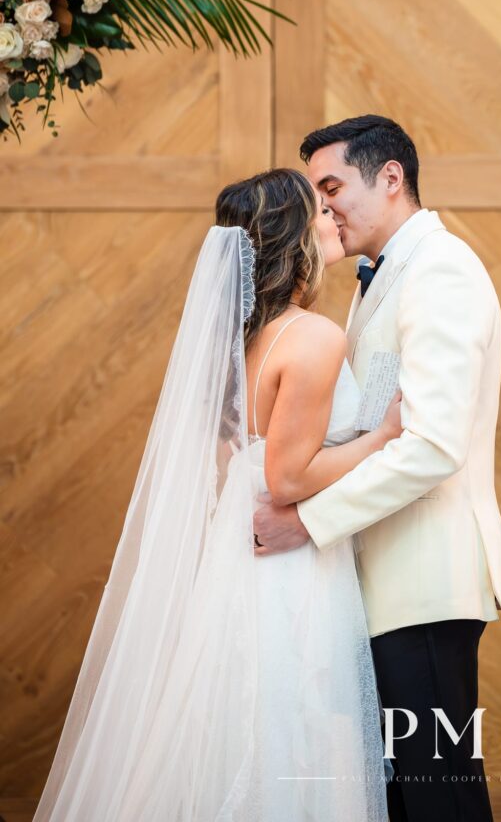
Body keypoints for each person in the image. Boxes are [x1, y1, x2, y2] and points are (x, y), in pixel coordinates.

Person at [33, 168, 400, 821]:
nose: (334, 218)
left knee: (237, 720)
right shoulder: (312, 336)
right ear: (293, 237)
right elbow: (287, 477)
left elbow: (243, 457)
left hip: (238, 557)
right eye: (320, 211)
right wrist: (384, 436)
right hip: (291, 567)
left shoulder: (240, 339)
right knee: (294, 721)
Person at [253, 114, 501, 822]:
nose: (323, 205)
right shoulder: (379, 281)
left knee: (440, 797)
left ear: (390, 177)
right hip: (384, 578)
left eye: (332, 186)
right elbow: (379, 425)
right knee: (405, 798)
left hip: (423, 578)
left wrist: (307, 519)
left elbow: (430, 443)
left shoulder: (443, 269)